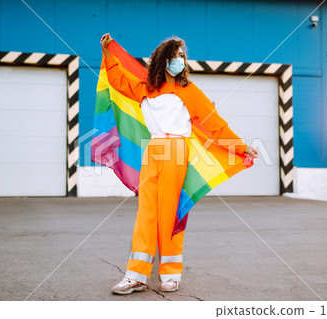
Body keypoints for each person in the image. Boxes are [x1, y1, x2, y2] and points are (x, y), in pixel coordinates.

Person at [100, 33, 258, 295]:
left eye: (182, 56)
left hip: (176, 150)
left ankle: (170, 274)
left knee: (170, 213)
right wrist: (107, 52)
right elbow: (117, 81)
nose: (180, 61)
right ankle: (136, 276)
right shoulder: (146, 89)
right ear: (163, 62)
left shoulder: (190, 91)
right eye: (175, 57)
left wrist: (240, 146)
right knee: (146, 213)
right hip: (153, 151)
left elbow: (214, 124)